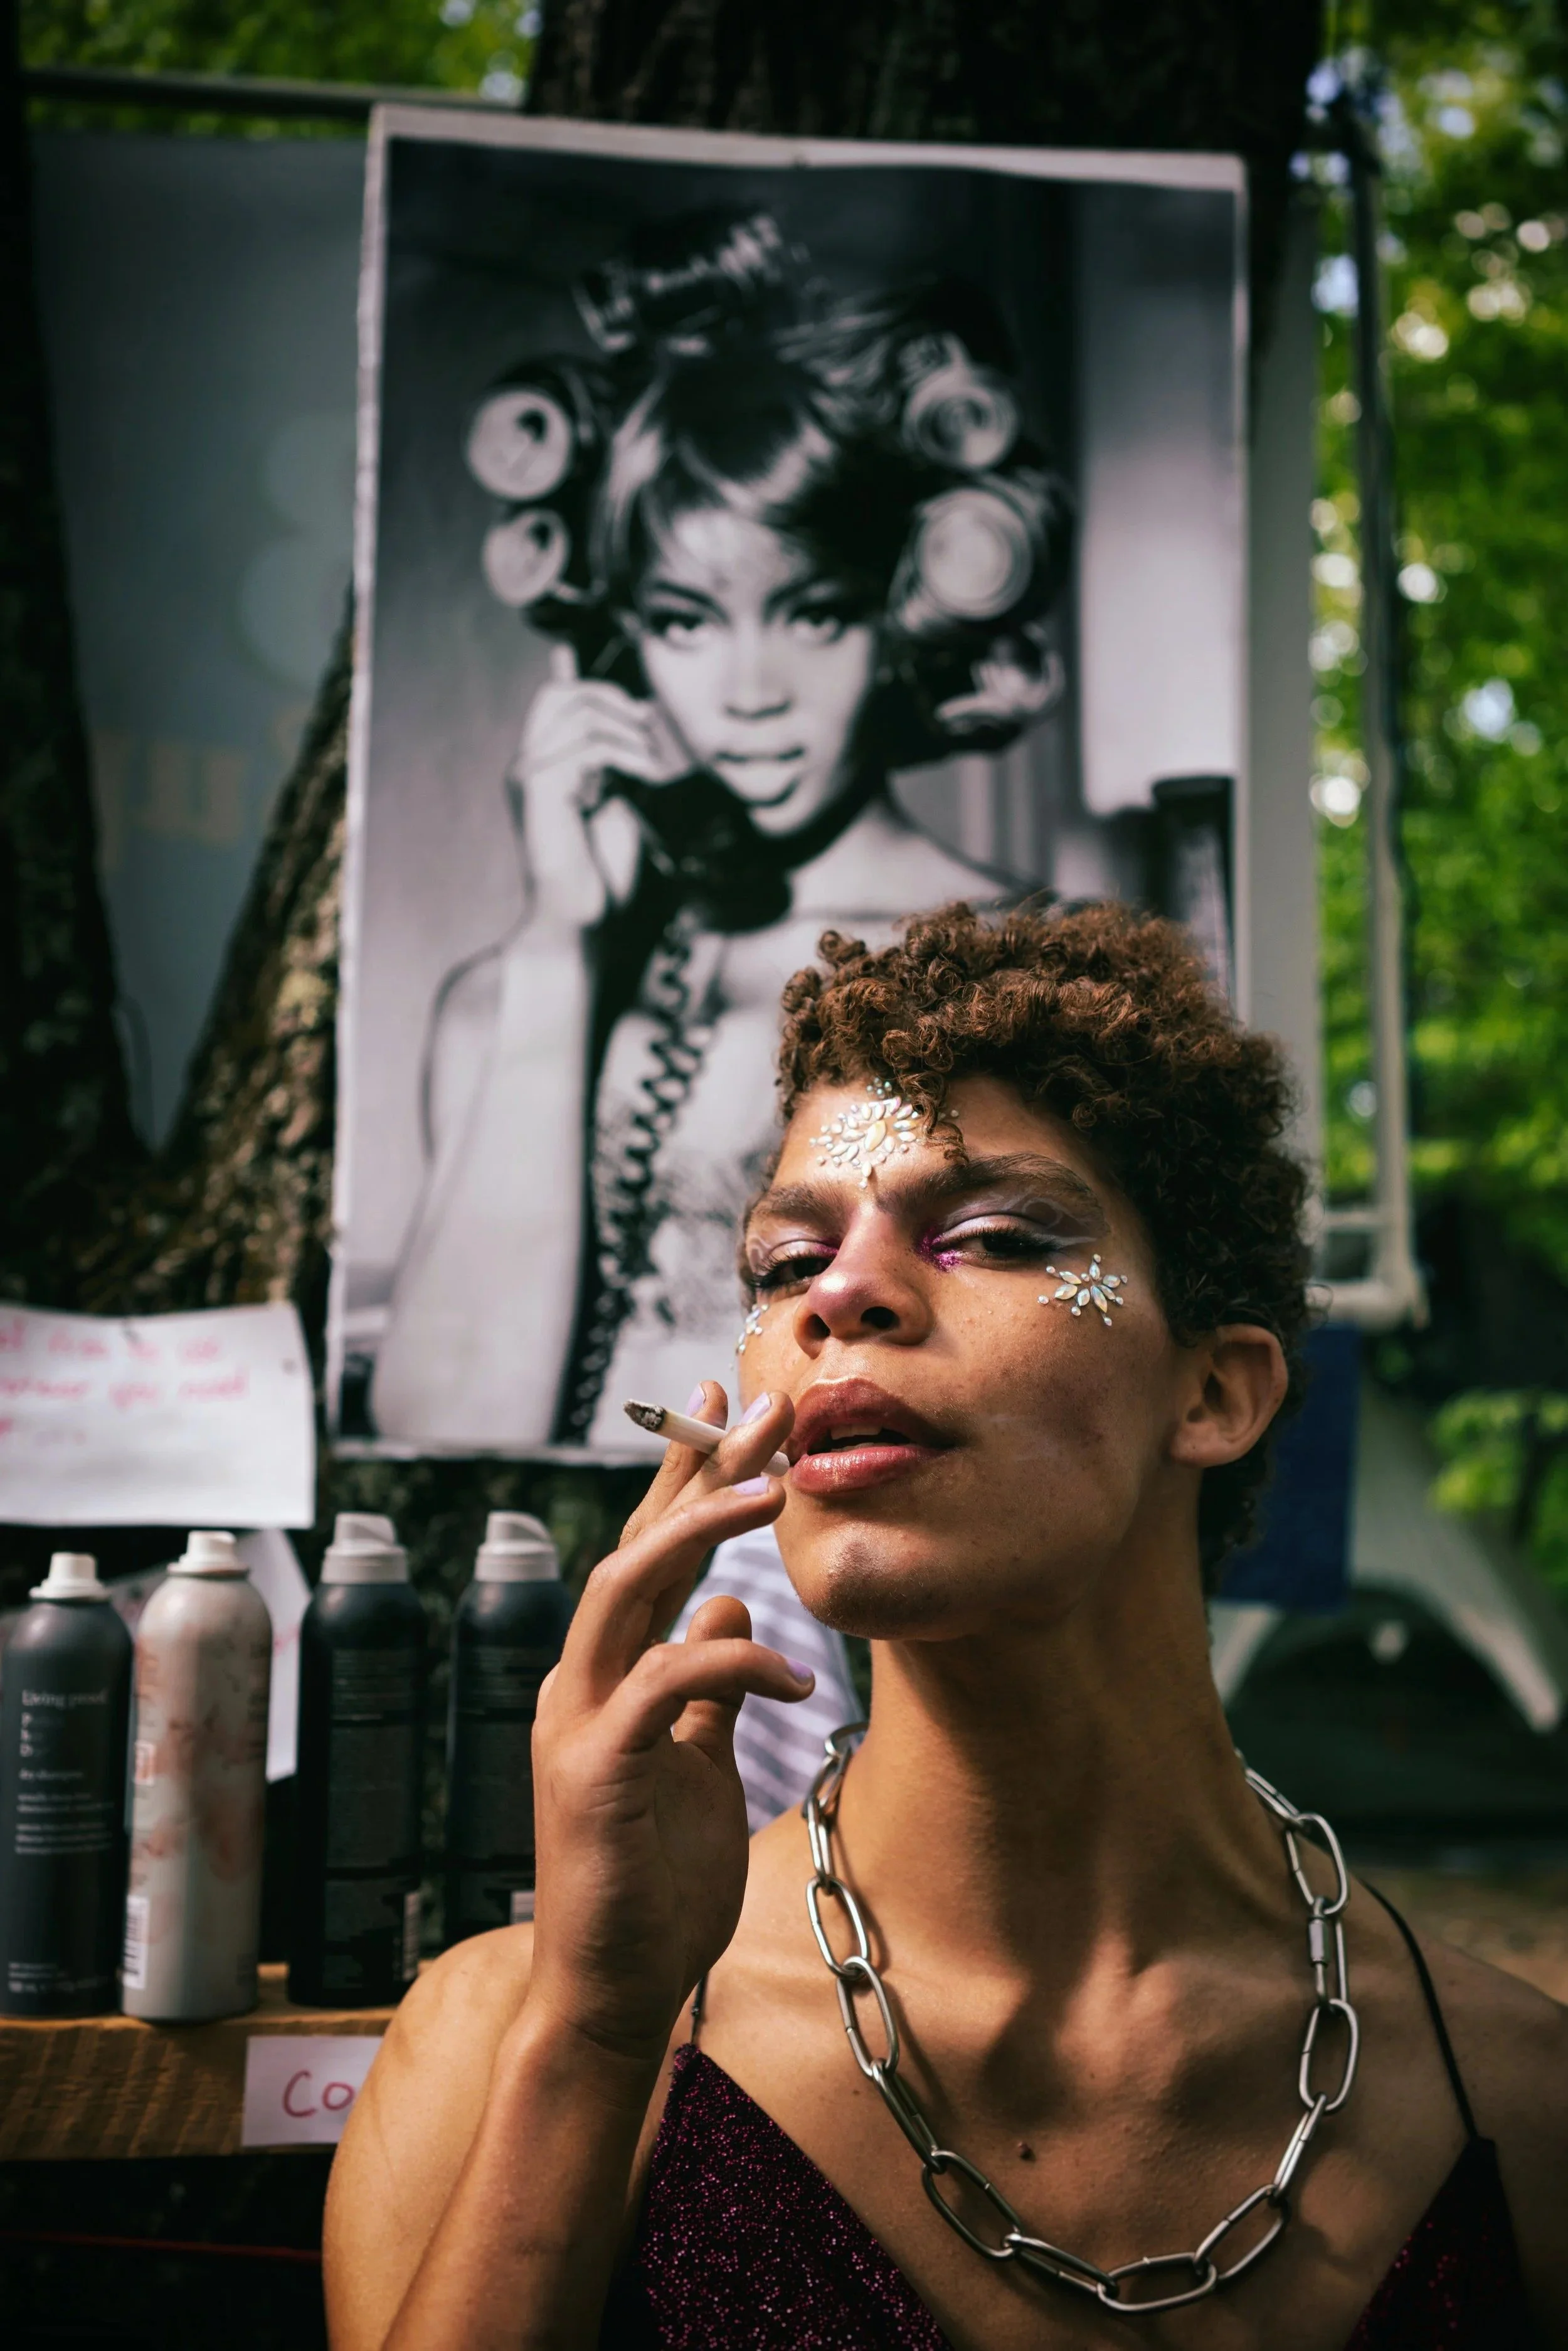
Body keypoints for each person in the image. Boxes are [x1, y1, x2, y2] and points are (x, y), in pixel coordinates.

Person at [327, 904, 1568, 2350]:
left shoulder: (1516, 2103)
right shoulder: (511, 2042)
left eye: (991, 1234)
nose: (840, 1294)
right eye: (785, 1262)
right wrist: (595, 2039)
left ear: (1212, 1391)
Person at [369, 212, 1071, 1450]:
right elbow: (451, 1427)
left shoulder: (1038, 979)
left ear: (897, 619)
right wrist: (555, 952)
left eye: (812, 614)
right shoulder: (512, 996)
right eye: (687, 622)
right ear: (619, 644)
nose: (751, 693)